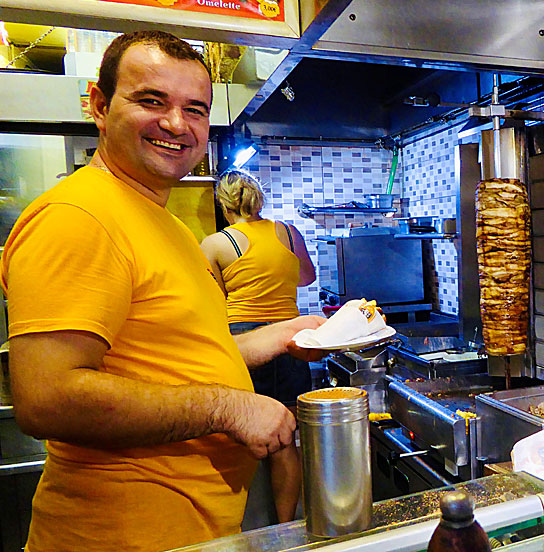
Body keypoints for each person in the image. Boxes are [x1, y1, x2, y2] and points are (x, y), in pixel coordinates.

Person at [0, 30, 325, 552]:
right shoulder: (79, 216)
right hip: (123, 534)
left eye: (194, 109)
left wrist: (279, 334)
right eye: (152, 101)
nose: (177, 124)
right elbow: (46, 398)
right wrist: (233, 409)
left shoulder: (163, 222)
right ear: (100, 106)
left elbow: (169, 355)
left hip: (188, 528)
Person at [200, 169, 316, 523]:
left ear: (225, 203)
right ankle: (284, 528)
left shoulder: (217, 243)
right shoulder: (289, 233)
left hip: (244, 343)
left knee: (238, 434)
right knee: (285, 440)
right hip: (289, 338)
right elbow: (307, 276)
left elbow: (210, 298)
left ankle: (239, 525)